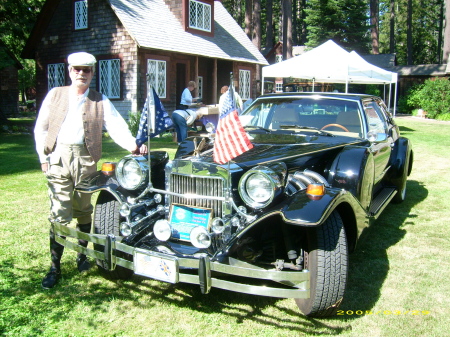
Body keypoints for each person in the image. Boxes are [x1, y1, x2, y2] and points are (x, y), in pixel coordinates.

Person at [34, 52, 147, 289]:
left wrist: (134, 145)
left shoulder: (100, 100)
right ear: (69, 71)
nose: (81, 74)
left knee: (84, 209)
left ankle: (82, 256)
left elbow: (117, 126)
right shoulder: (55, 95)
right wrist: (44, 157)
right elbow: (41, 128)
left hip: (86, 160)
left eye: (86, 70)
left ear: (92, 73)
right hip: (58, 157)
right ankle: (54, 267)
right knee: (60, 212)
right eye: (77, 69)